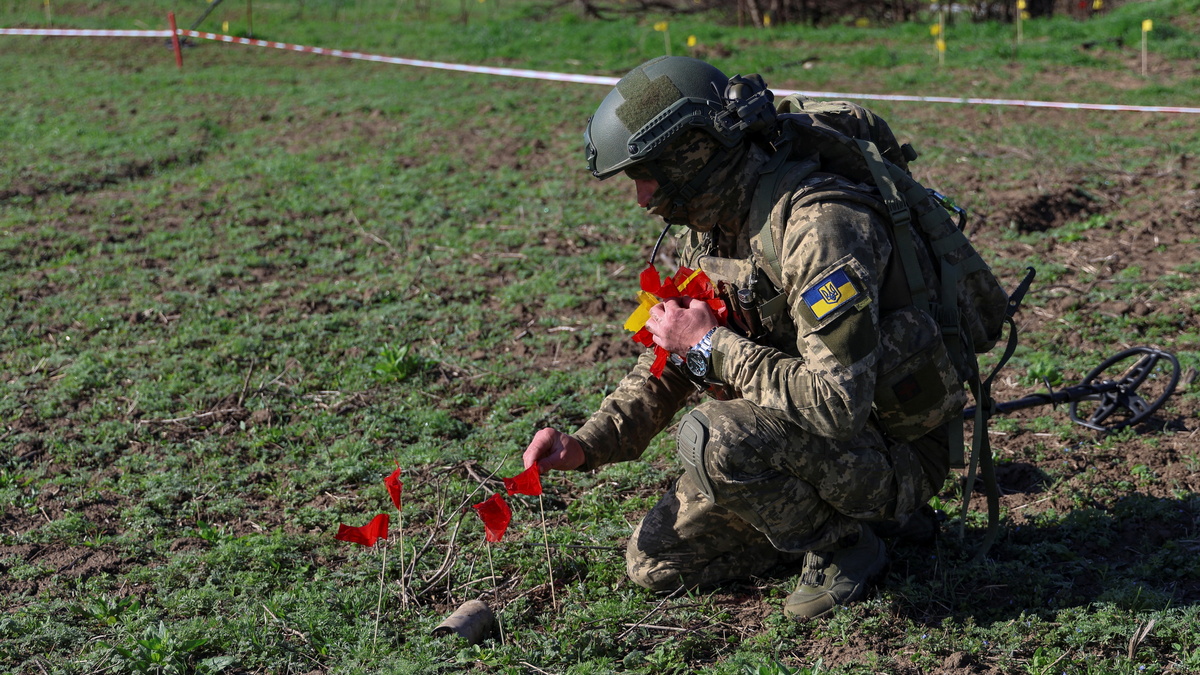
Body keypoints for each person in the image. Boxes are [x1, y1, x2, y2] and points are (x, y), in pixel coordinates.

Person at [522, 56, 960, 619]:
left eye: (646, 177)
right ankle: (837, 518)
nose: (641, 199)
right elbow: (672, 355)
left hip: (889, 450)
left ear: (691, 154)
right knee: (655, 564)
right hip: (791, 444)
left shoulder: (819, 228)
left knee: (713, 436)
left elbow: (837, 407)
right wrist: (588, 443)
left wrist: (714, 346)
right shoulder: (711, 229)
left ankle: (849, 544)